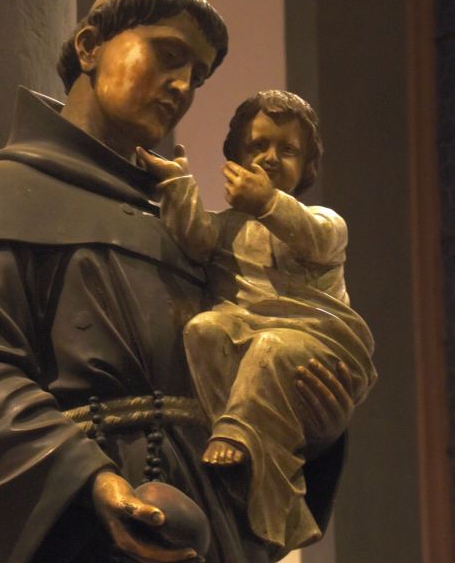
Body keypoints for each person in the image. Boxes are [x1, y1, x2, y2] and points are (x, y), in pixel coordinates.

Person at [0, 0, 355, 563]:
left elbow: (237, 377)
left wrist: (318, 429)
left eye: (196, 77)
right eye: (168, 55)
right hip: (98, 526)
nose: (181, 86)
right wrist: (93, 483)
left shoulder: (180, 223)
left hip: (212, 524)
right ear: (89, 47)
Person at [137, 90, 377, 553]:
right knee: (203, 330)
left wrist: (267, 202)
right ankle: (249, 460)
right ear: (236, 157)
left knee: (270, 347)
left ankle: (237, 433)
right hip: (244, 334)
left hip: (318, 341)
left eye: (287, 150)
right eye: (257, 146)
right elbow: (194, 239)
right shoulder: (228, 227)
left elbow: (314, 239)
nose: (270, 158)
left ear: (307, 165)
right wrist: (178, 184)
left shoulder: (323, 220)